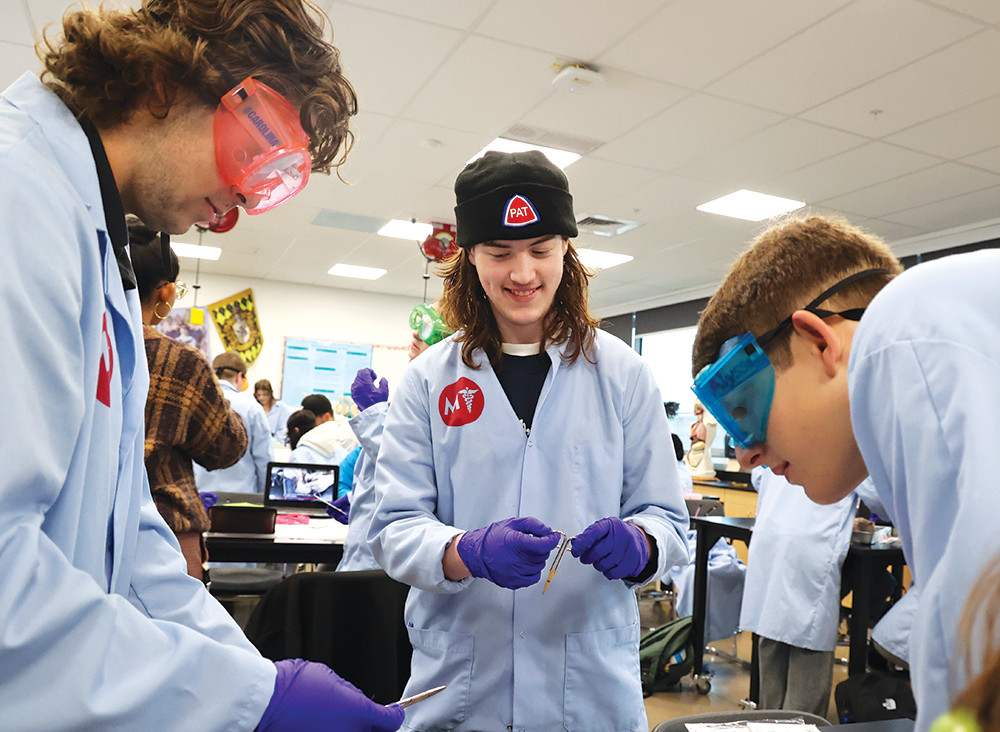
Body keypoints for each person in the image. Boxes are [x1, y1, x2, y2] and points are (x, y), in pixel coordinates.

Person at [0, 0, 403, 726]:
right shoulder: (15, 200)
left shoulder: (99, 247)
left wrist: (254, 678)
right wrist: (248, 702)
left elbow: (134, 541)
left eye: (273, 178)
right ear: (162, 82)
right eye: (257, 152)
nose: (241, 204)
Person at [368, 150, 690, 731]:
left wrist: (642, 544)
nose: (522, 274)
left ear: (568, 249)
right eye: (499, 253)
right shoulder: (427, 380)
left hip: (587, 687)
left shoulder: (622, 374)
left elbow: (668, 519)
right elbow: (393, 529)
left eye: (541, 250)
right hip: (461, 685)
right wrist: (464, 552)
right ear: (469, 256)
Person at [690, 213, 1000, 732]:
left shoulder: (903, 329)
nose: (746, 456)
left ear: (818, 342)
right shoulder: (937, 335)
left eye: (743, 407)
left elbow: (972, 654)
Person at [130, 216, 248, 581]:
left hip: (73, 518)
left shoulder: (76, 341)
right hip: (163, 529)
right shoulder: (180, 362)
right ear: (165, 293)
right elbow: (227, 448)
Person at [742, 466, 860, 716]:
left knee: (771, 639)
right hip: (812, 543)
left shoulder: (780, 430)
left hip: (771, 538)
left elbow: (758, 475)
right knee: (808, 657)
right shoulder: (849, 434)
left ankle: (768, 721)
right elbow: (879, 494)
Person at [336, 305, 439, 572]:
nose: (416, 334)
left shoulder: (447, 399)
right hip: (361, 556)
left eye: (429, 325)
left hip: (387, 564)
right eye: (417, 323)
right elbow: (386, 473)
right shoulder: (415, 391)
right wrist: (355, 499)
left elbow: (406, 464)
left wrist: (373, 415)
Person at [194, 352, 273, 494]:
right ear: (239, 377)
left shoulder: (196, 403)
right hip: (242, 499)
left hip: (201, 497)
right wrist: (263, 497)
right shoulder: (252, 409)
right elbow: (264, 460)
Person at [291, 393, 360, 465]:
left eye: (312, 420)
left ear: (326, 417)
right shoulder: (331, 425)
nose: (310, 425)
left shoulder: (345, 435)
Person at [255, 379, 294, 445]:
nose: (261, 398)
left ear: (270, 394)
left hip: (277, 445)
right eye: (259, 395)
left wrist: (273, 439)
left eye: (264, 395)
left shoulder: (281, 408)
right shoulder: (254, 407)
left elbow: (285, 430)